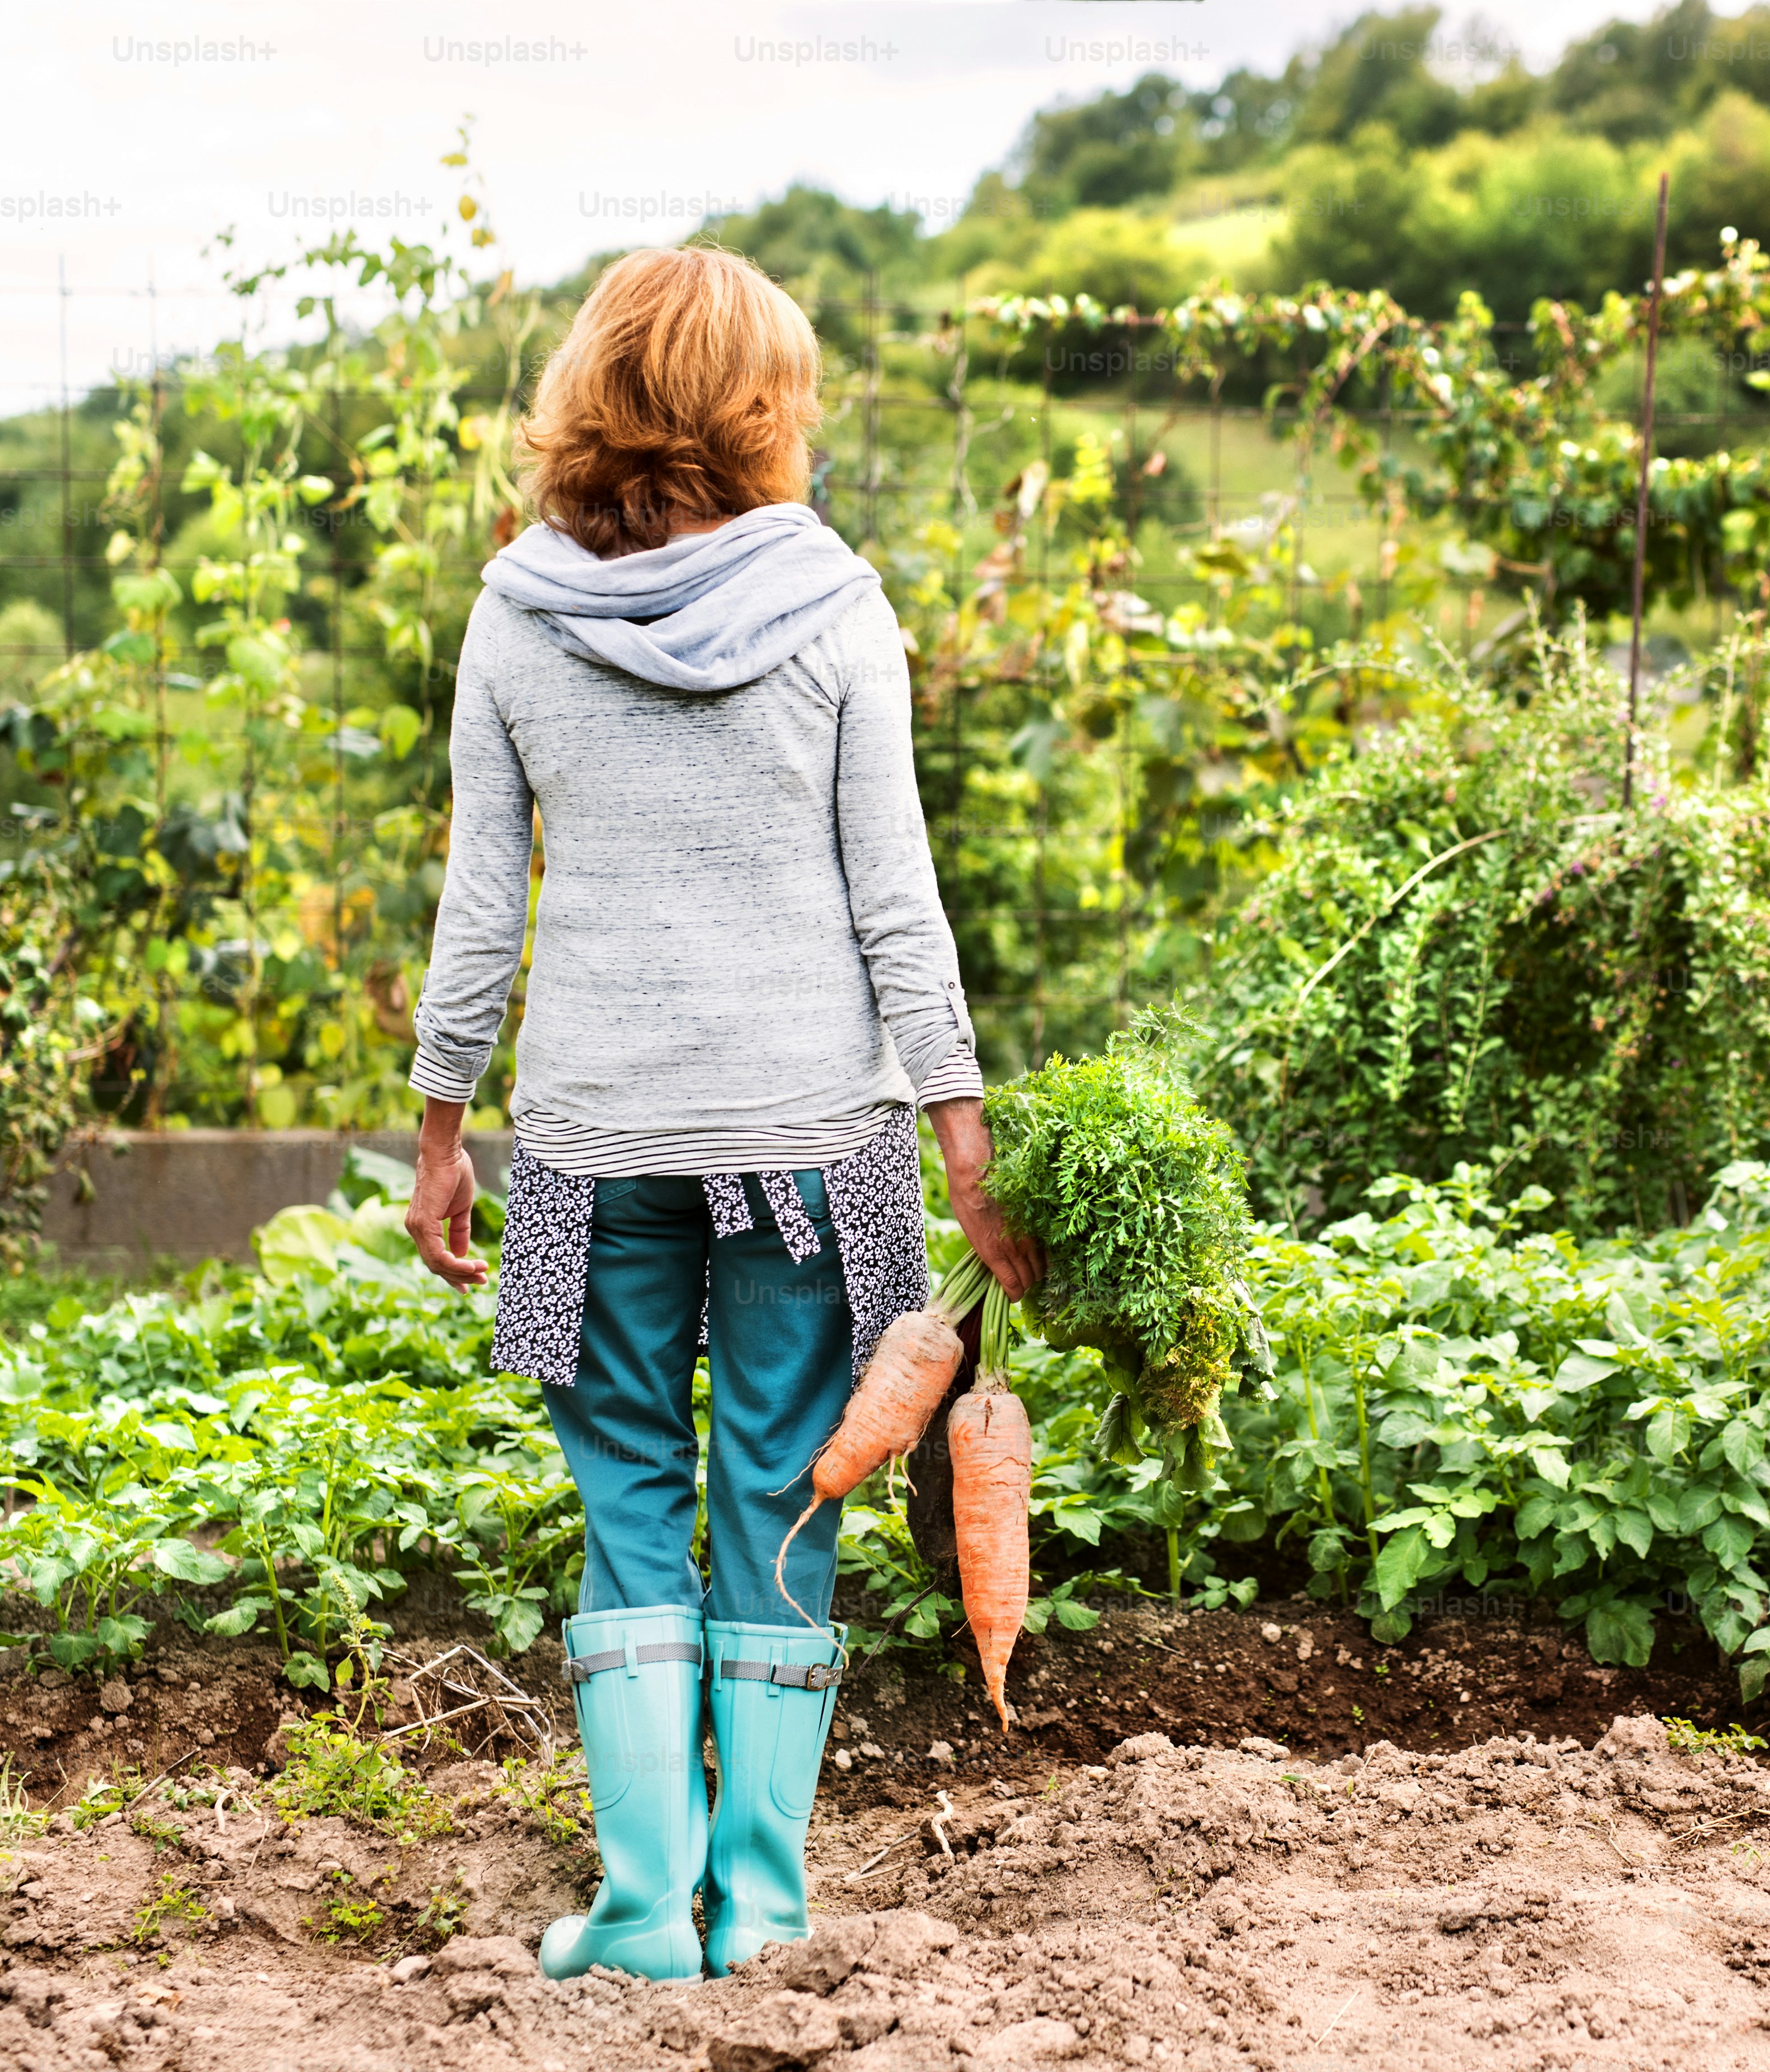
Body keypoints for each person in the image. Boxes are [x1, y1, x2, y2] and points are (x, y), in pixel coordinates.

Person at [397, 243, 1040, 1982]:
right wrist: (961, 1138)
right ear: (766, 410)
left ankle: (636, 1913)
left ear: (588, 393)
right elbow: (895, 896)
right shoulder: (835, 605)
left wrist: (443, 1123)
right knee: (780, 1490)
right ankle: (759, 1907)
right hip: (812, 1137)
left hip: (590, 1145)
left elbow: (481, 902)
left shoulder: (515, 608)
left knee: (623, 1487)